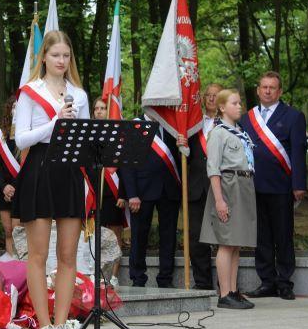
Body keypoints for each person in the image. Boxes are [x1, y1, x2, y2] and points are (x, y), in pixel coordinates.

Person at [12, 31, 90, 329]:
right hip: (40, 168)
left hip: (69, 170)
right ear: (43, 56)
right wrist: (55, 123)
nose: (61, 61)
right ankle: (44, 327)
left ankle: (61, 325)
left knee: (68, 255)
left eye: (66, 55)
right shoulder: (31, 92)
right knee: (39, 254)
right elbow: (21, 139)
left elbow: (86, 137)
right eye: (56, 55)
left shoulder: (79, 95)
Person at [239, 71, 307, 301]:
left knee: (283, 235)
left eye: (272, 87)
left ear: (280, 91)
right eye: (264, 87)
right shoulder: (247, 118)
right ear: (258, 90)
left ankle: (284, 282)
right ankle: (267, 281)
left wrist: (299, 184)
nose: (267, 91)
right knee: (261, 237)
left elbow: (298, 152)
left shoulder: (293, 116)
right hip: (254, 186)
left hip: (281, 186)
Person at [200, 89, 257, 309]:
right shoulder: (218, 133)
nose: (239, 106)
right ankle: (224, 294)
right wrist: (219, 200)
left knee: (236, 243)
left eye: (240, 102)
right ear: (222, 107)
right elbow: (213, 168)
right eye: (234, 103)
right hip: (228, 186)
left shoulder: (240, 132)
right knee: (226, 242)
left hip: (243, 185)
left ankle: (234, 290)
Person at [121, 113, 181, 289]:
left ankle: (165, 278)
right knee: (139, 235)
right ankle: (138, 278)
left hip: (169, 188)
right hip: (142, 191)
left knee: (169, 236)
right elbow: (127, 163)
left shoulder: (171, 126)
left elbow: (178, 158)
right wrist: (132, 194)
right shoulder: (136, 126)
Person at [186, 83, 223, 290]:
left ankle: (225, 284)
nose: (210, 98)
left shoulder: (229, 123)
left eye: (215, 95)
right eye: (207, 95)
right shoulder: (193, 124)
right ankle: (203, 282)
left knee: (223, 237)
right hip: (196, 188)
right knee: (197, 237)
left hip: (222, 189)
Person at [89, 96, 127, 286]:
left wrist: (123, 194)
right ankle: (95, 272)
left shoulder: (117, 136)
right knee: (94, 234)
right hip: (94, 192)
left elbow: (124, 168)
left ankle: (113, 275)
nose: (99, 111)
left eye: (103, 108)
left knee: (114, 234)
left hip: (113, 193)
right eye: (96, 108)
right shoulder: (88, 134)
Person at [0, 95, 20, 259]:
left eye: (18, 107)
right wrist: (4, 187)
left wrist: (15, 187)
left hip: (21, 189)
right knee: (8, 230)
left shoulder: (27, 134)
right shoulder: (0, 136)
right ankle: (10, 263)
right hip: (4, 190)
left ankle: (20, 264)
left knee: (18, 230)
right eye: (13, 107)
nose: (16, 110)